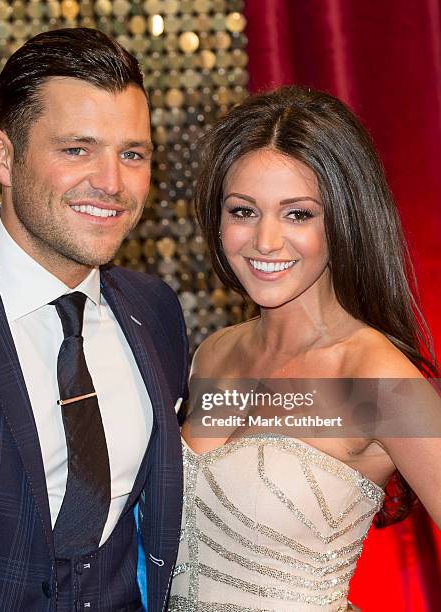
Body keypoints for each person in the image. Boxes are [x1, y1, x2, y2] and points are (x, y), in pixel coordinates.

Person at [0, 28, 188, 611]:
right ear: (4, 157)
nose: (112, 183)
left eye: (133, 154)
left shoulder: (155, 311)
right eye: (77, 149)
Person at [168, 86, 441, 611]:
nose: (265, 241)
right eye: (243, 210)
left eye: (297, 214)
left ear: (342, 219)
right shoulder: (214, 355)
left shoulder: (372, 378)